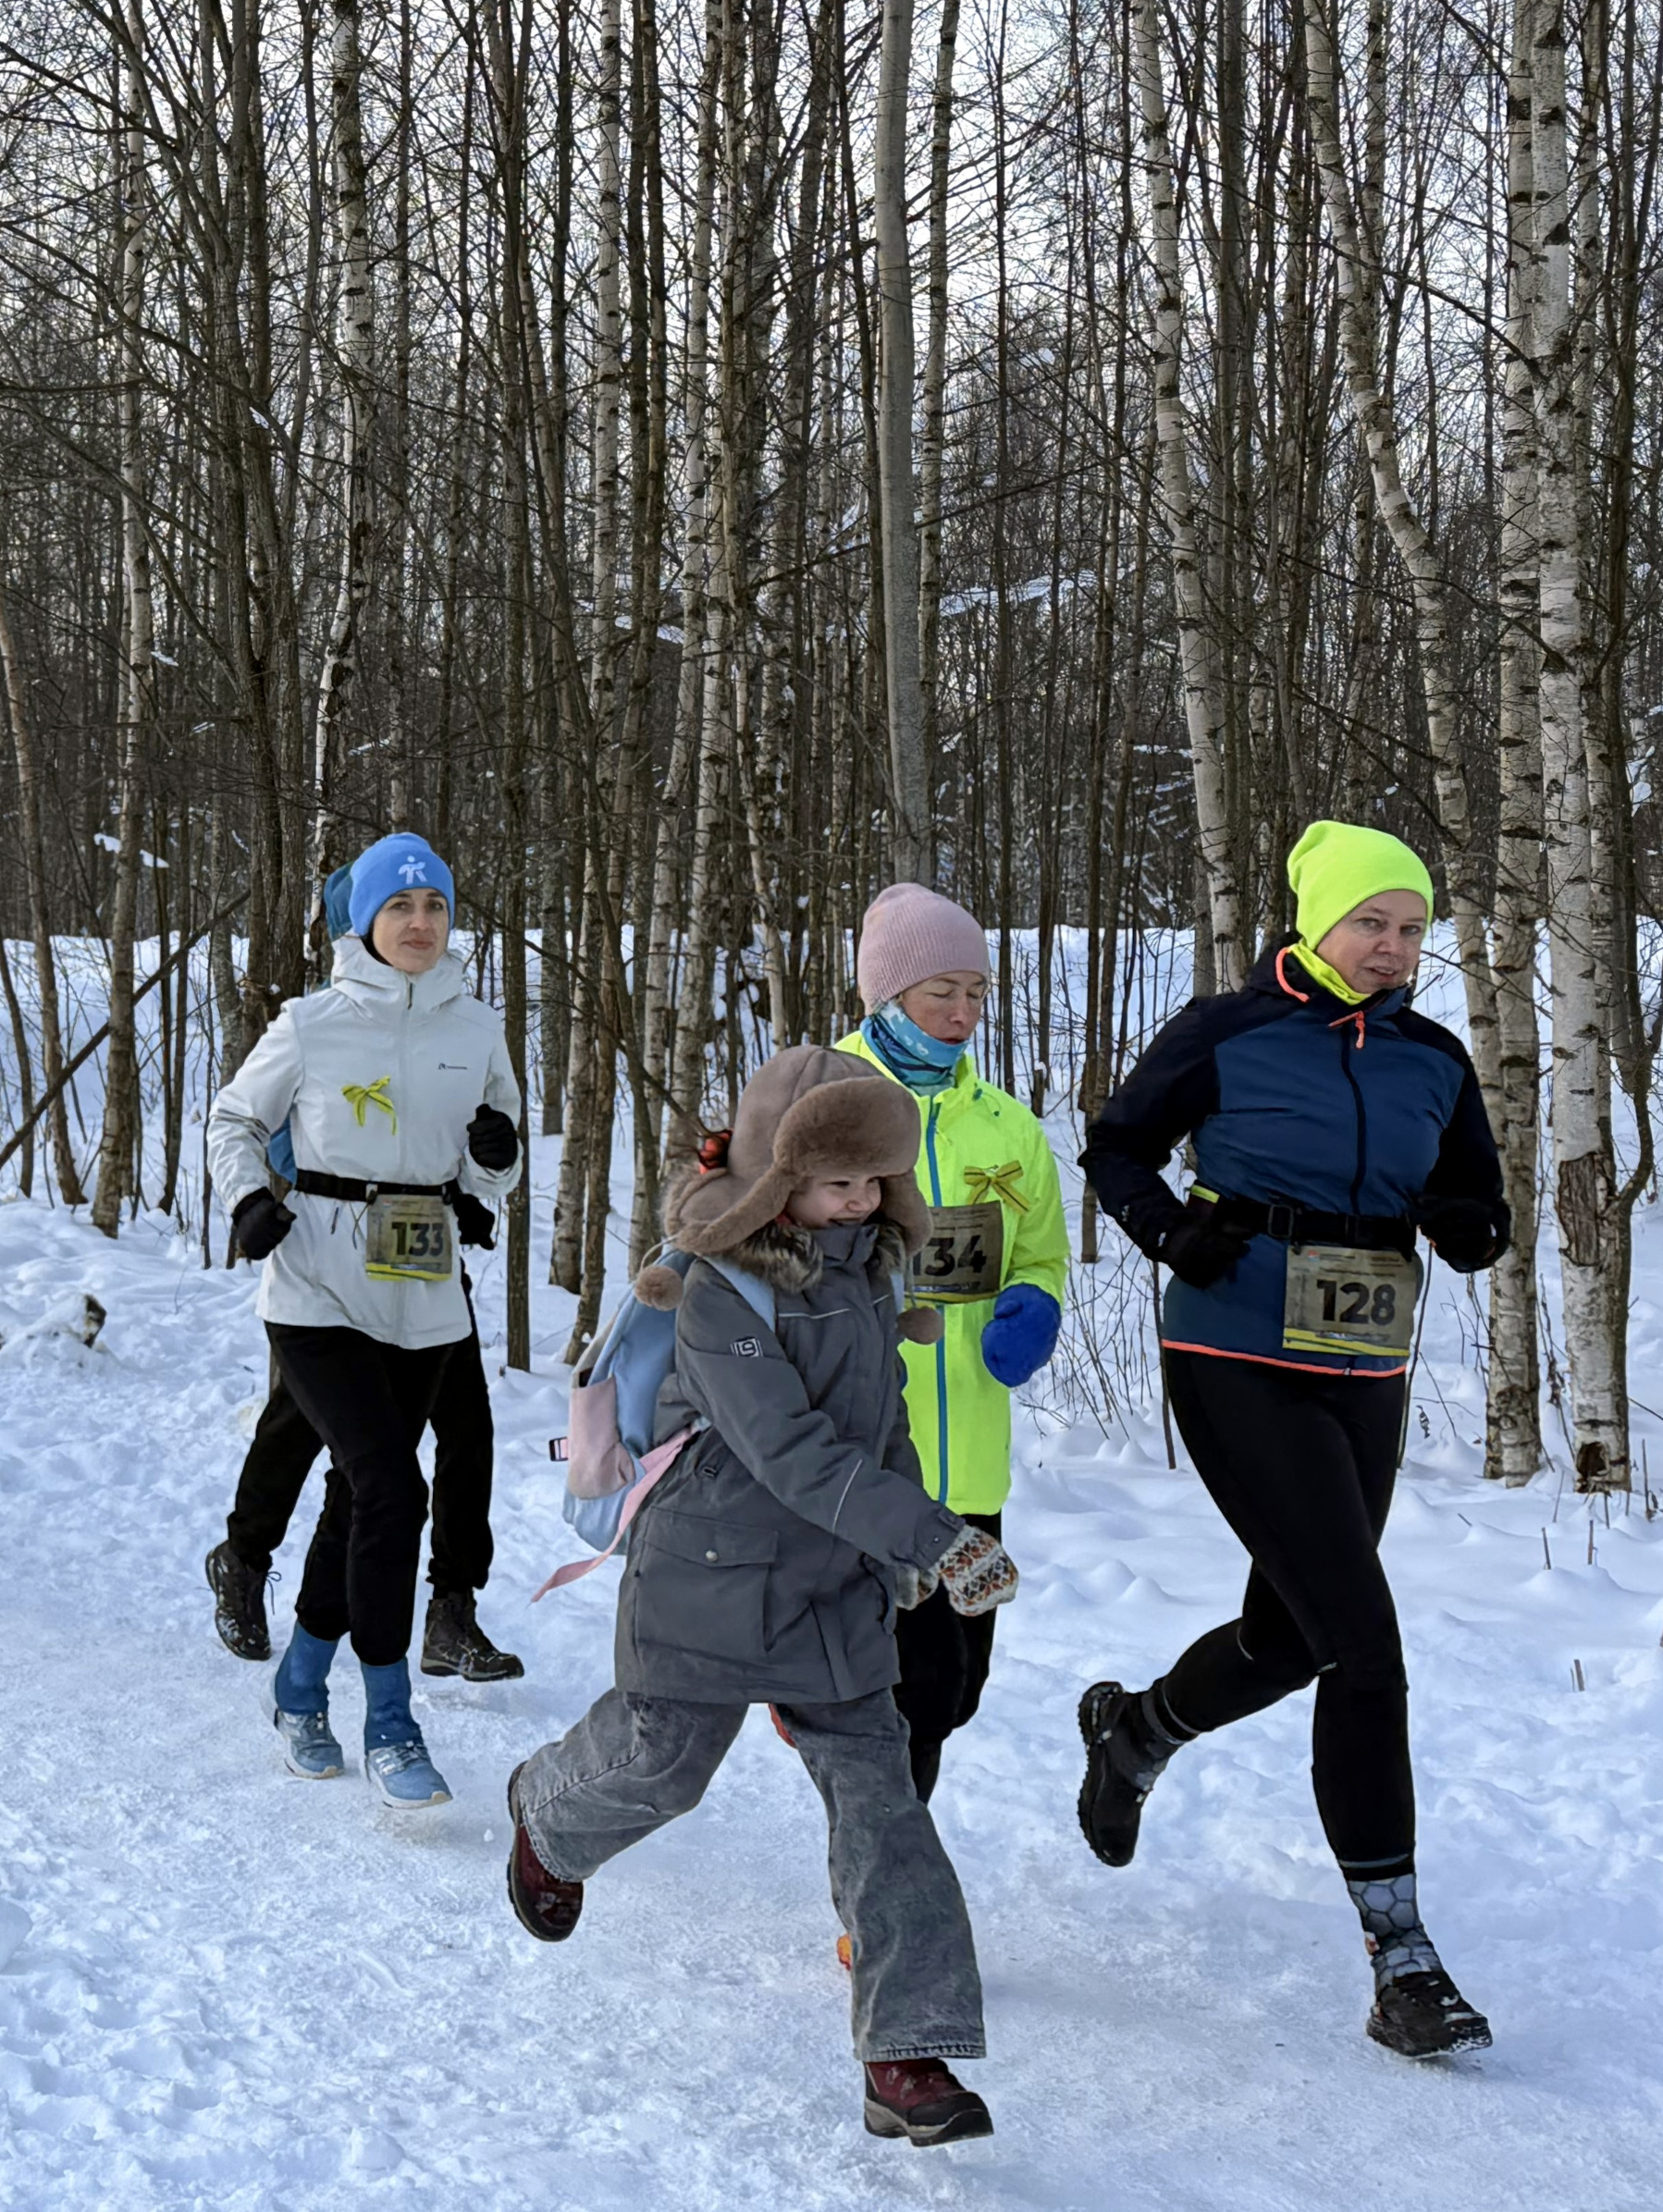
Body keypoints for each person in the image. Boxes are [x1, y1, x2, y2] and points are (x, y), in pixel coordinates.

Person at [505, 1047, 1018, 2147]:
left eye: (878, 1178)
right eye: (840, 1179)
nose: (864, 1198)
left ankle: (905, 2052)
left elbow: (882, 1431)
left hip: (833, 1583)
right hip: (710, 1572)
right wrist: (926, 1531)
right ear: (773, 1176)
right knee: (663, 1763)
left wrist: (916, 1553)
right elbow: (787, 1449)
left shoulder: (874, 1272)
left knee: (885, 1809)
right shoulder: (713, 1286)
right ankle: (547, 1813)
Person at [1074, 819, 1509, 2060]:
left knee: (1291, 1635)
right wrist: (1172, 1231)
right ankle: (1403, 1957)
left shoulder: (1433, 1055)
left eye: (1413, 927)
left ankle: (1139, 1728)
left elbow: (1470, 1185)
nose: (1393, 946)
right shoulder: (1226, 1029)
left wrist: (1474, 1220)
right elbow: (1116, 1144)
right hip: (1233, 1349)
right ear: (1314, 920)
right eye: (1371, 921)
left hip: (1362, 1361)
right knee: (1364, 1645)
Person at [204, 832, 522, 1806]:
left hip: (421, 1289)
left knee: (359, 1500)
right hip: (315, 1286)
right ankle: (389, 1718)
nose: (420, 924)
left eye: (434, 908)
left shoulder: (476, 1027)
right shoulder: (311, 1022)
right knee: (393, 1485)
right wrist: (249, 1199)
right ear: (364, 923)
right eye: (399, 908)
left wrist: (488, 1165)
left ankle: (300, 1686)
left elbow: (495, 1152)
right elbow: (232, 1120)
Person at [833, 883, 1069, 1799]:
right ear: (887, 995)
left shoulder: (1007, 1125)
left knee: (958, 1685)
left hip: (968, 1455)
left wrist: (1034, 1302)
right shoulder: (827, 1100)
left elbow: (1040, 1252)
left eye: (976, 989)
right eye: (942, 989)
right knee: (913, 1688)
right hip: (859, 1456)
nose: (964, 1011)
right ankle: (887, 1880)